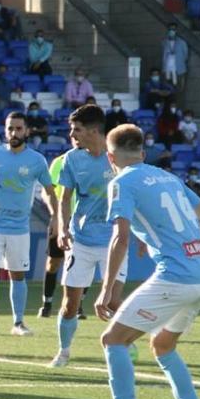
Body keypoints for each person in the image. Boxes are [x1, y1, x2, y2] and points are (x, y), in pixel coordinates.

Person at [87, 123, 200, 399]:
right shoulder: (167, 176)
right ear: (143, 153)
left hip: (177, 276)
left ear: (110, 157)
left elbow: (119, 237)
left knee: (113, 339)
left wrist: (108, 290)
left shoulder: (121, 182)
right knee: (163, 346)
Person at [0, 112, 59, 337]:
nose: (13, 133)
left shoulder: (36, 160)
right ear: (4, 131)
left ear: (26, 131)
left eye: (18, 129)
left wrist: (56, 216)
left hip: (19, 227)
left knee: (17, 275)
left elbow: (49, 190)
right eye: (9, 129)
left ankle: (18, 323)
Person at [48, 105, 127, 367]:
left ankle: (122, 350)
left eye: (77, 129)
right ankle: (64, 351)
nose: (72, 134)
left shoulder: (118, 157)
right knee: (70, 304)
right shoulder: (71, 160)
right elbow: (64, 198)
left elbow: (133, 196)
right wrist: (62, 227)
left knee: (114, 301)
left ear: (94, 131)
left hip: (114, 240)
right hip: (80, 241)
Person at [37, 141, 77, 318]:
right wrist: (54, 215)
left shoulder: (96, 161)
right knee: (54, 262)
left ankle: (78, 306)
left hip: (84, 222)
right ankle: (47, 303)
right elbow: (47, 190)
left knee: (80, 264)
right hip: (61, 220)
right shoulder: (60, 162)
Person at [162, 23, 188, 91]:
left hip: (179, 68)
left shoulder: (182, 42)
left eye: (173, 29)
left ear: (176, 30)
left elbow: (185, 55)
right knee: (167, 86)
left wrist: (180, 61)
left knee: (179, 87)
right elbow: (163, 55)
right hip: (167, 67)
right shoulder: (164, 42)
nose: (171, 31)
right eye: (170, 29)